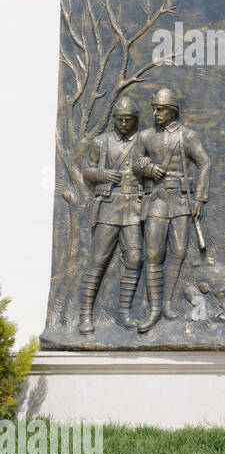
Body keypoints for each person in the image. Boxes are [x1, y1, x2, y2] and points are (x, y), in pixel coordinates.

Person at [134, 88, 210, 333]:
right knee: (154, 253)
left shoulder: (187, 136)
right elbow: (136, 162)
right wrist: (148, 168)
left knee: (178, 252)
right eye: (154, 108)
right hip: (156, 198)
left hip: (180, 199)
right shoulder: (145, 136)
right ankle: (154, 309)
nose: (156, 113)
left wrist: (200, 198)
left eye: (161, 109)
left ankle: (168, 303)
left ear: (173, 111)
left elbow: (204, 163)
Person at [77, 97, 144, 333]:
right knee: (98, 262)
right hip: (108, 207)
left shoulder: (143, 141)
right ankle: (85, 315)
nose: (124, 124)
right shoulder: (101, 142)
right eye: (120, 119)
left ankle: (123, 312)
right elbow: (87, 169)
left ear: (136, 120)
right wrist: (103, 175)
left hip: (134, 209)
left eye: (129, 120)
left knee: (135, 260)